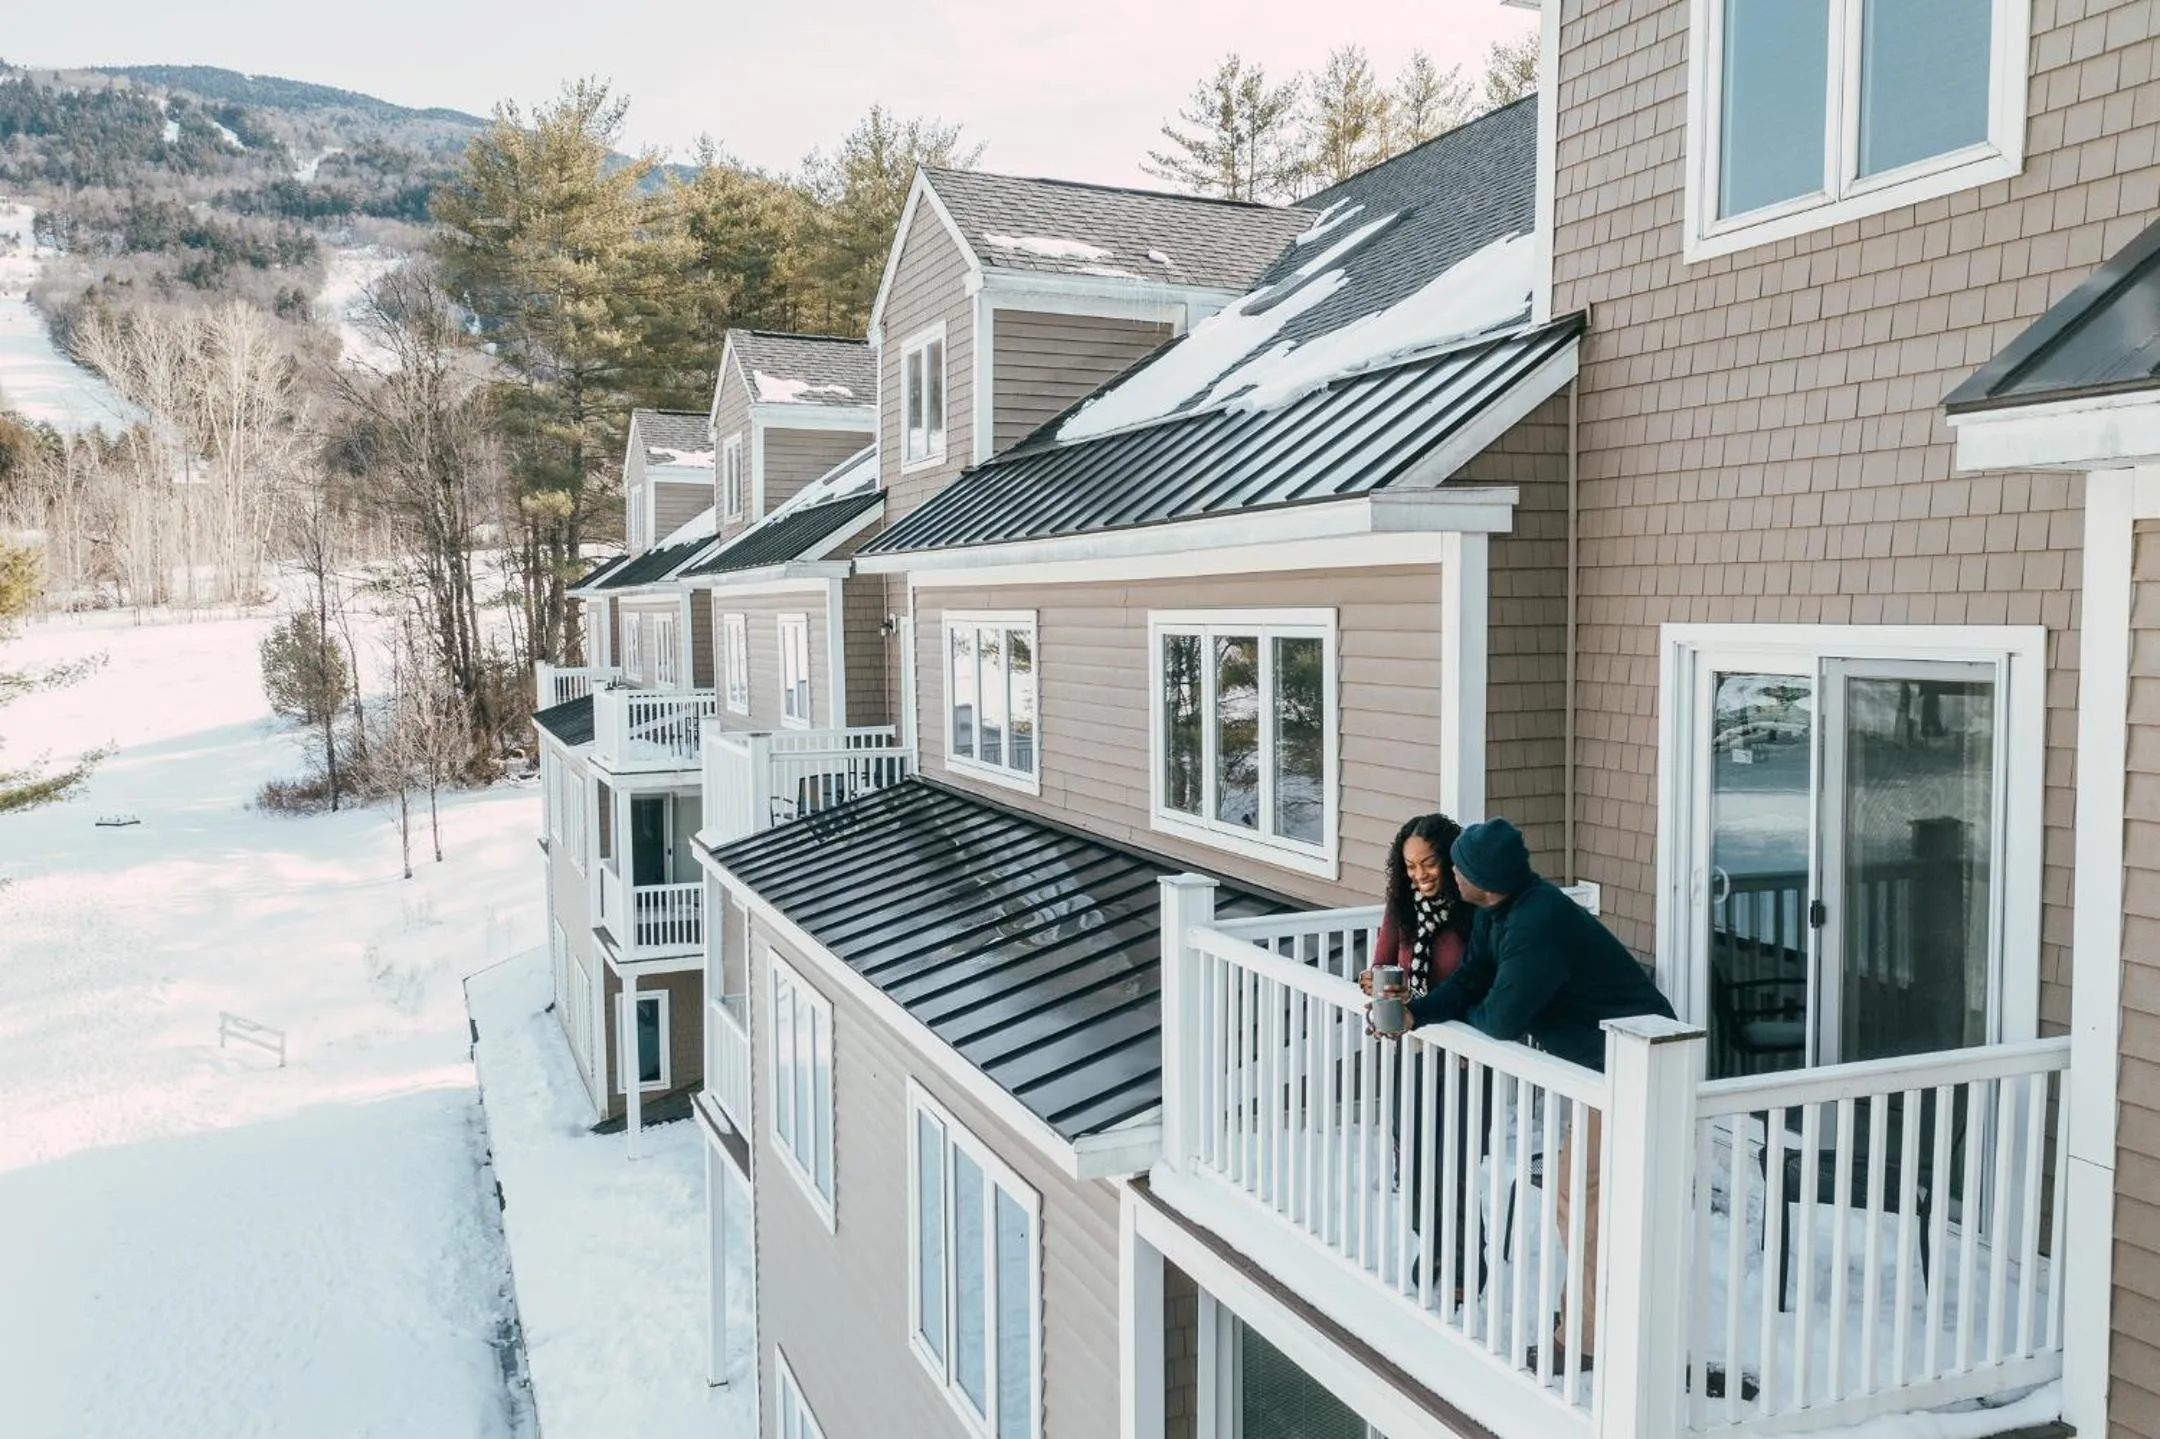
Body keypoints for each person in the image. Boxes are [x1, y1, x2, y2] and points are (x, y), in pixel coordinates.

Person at [1383, 816, 1675, 1370]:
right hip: (1599, 1072)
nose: (1448, 875)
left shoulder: (1535, 926)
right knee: (1576, 1200)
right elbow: (1471, 982)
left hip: (1636, 1070)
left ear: (1480, 879)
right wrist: (1419, 1012)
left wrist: (1463, 1014)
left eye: (1457, 867)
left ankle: (1587, 1339)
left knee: (1584, 1204)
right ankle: (1589, 1326)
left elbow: (1498, 1018)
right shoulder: (1501, 912)